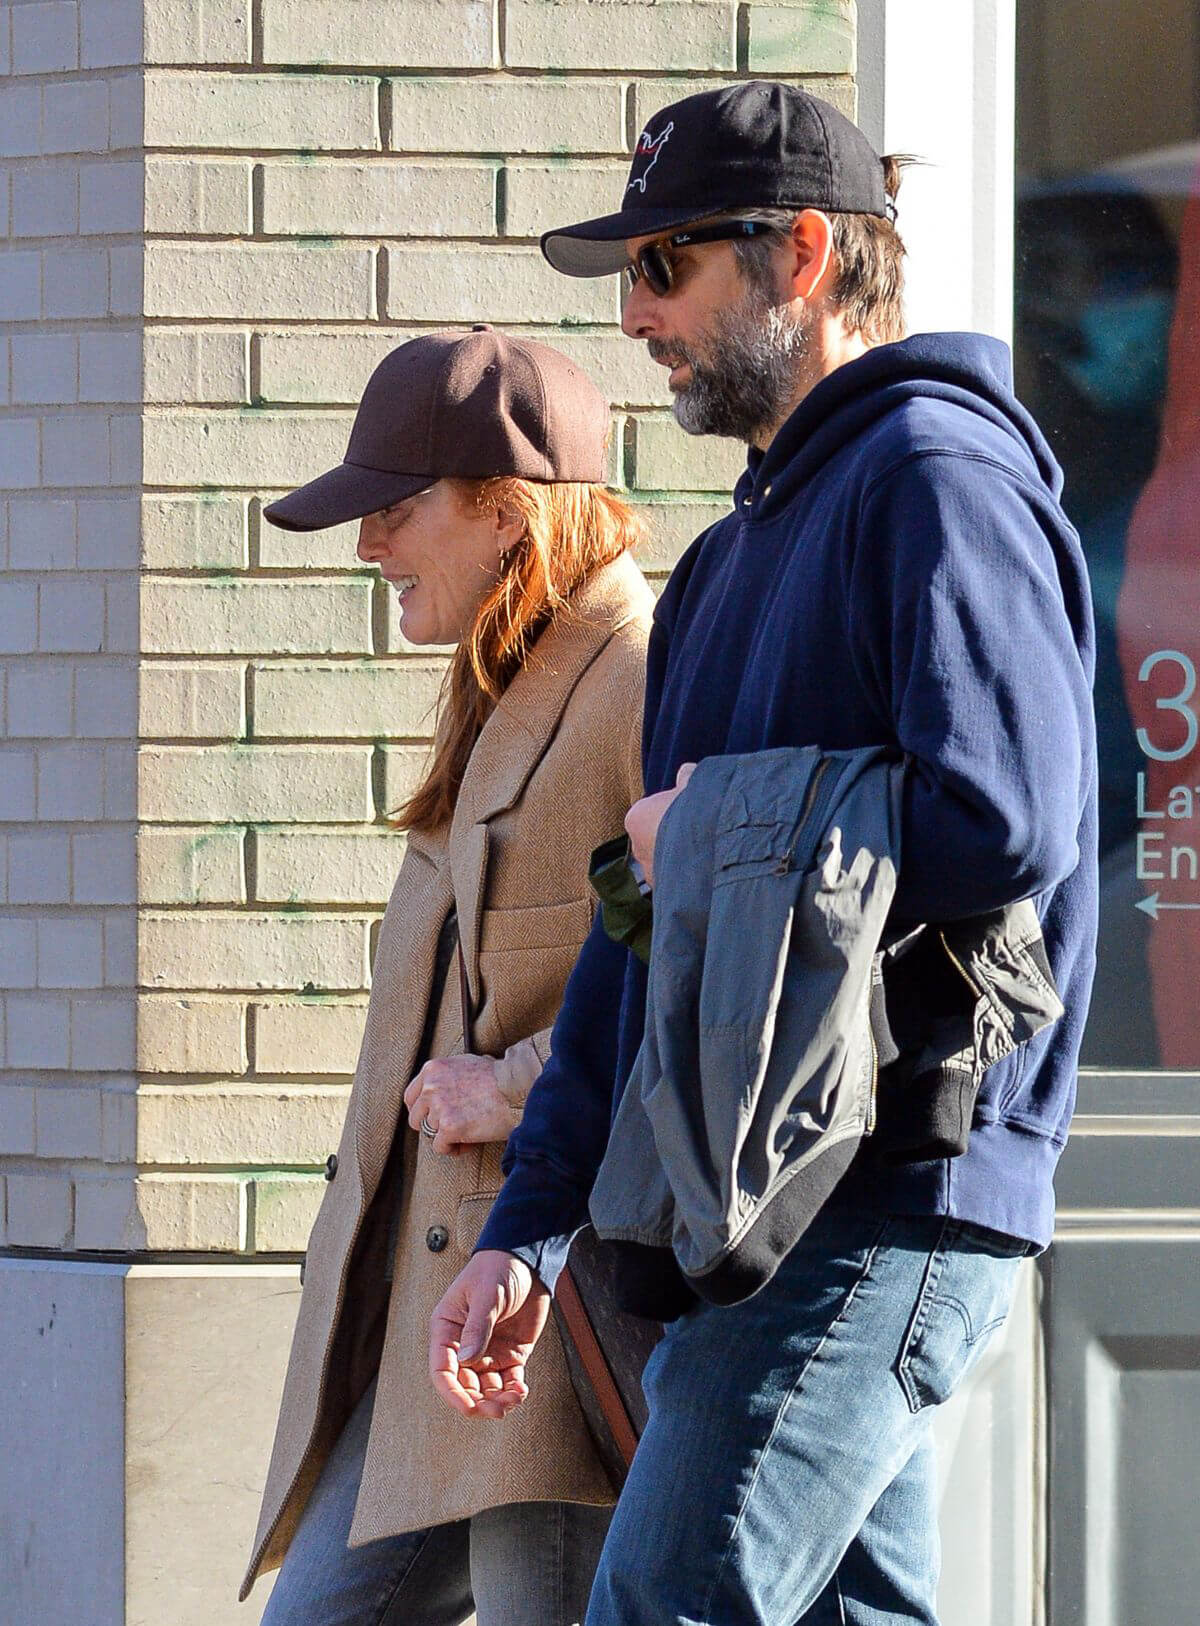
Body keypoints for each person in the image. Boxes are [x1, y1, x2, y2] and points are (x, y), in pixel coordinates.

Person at [428, 83, 1098, 1625]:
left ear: (801, 255)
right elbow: (640, 921)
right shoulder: (732, 555)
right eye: (629, 280)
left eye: (665, 267)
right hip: (752, 1198)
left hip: (889, 1194)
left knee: (668, 1597)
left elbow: (1012, 817)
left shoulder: (940, 480)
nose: (639, 315)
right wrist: (533, 1226)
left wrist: (716, 824)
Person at [240, 326, 653, 1626]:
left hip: (552, 1328)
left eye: (397, 509)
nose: (369, 545)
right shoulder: (502, 683)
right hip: (437, 1327)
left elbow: (709, 963)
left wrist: (521, 1082)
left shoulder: (637, 679)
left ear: (505, 516)